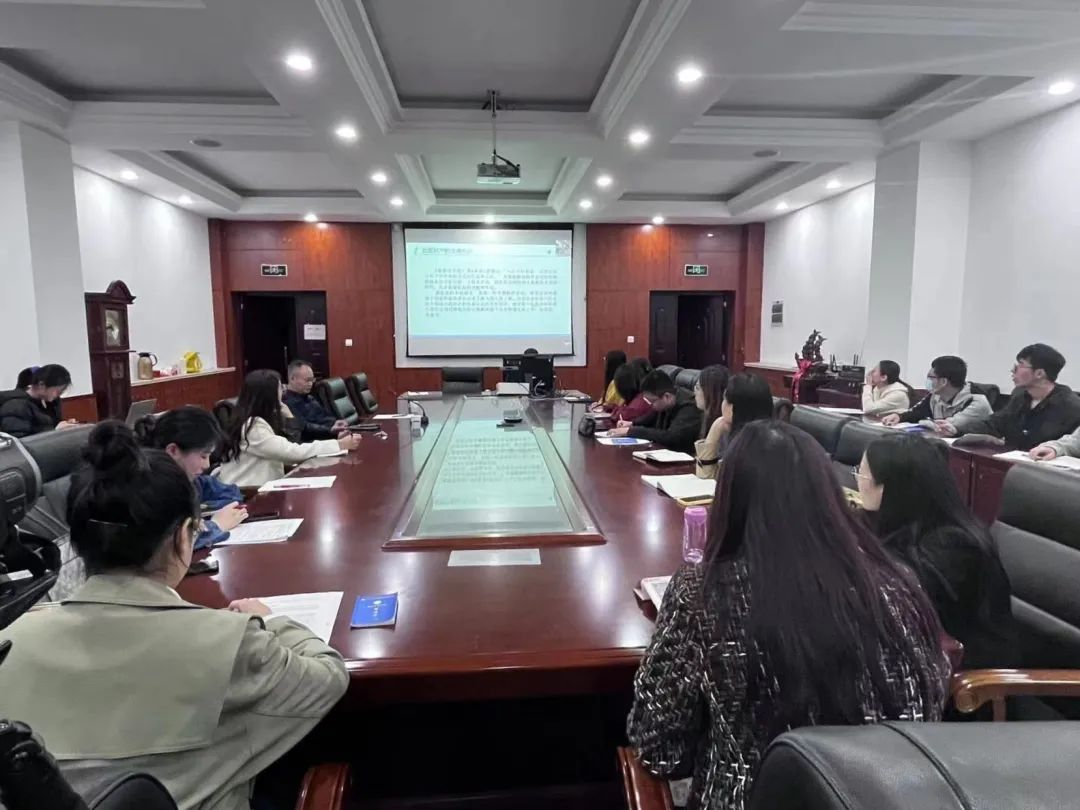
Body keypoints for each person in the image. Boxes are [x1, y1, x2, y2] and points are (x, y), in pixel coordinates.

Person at [0, 422, 348, 810]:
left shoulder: (10, 643)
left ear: (78, 543)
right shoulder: (230, 642)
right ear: (184, 535)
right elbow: (328, 679)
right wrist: (272, 621)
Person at [627, 422, 948, 809]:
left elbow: (658, 747)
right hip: (884, 798)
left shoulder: (704, 592)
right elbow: (924, 713)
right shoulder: (898, 583)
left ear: (730, 498)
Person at [858, 434, 1018, 670]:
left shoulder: (956, 546)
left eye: (862, 474)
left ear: (892, 487)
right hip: (916, 655)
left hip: (963, 674)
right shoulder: (903, 525)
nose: (858, 482)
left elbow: (896, 599)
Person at [217, 369, 359, 487]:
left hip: (265, 487)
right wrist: (338, 445)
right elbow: (291, 451)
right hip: (248, 494)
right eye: (280, 388)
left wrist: (289, 417)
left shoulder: (260, 419)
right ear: (269, 394)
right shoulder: (253, 427)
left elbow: (291, 445)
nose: (283, 392)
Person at [135, 406, 249, 549]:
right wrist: (215, 525)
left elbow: (232, 494)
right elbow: (169, 545)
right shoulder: (148, 489)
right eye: (203, 456)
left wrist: (203, 513)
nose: (207, 465)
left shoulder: (191, 480)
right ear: (173, 450)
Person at [942, 343, 1080, 450]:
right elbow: (995, 423)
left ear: (1039, 373)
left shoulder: (1070, 406)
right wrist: (956, 429)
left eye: (1021, 365)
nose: (1013, 370)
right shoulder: (1019, 396)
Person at [881, 355, 992, 434]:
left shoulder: (976, 402)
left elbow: (945, 427)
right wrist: (899, 417)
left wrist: (925, 422)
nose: (928, 381)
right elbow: (915, 413)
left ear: (943, 382)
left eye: (931, 377)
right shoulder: (935, 396)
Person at [694, 371, 772, 479]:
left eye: (724, 399)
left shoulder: (753, 446)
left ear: (733, 407)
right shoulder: (732, 431)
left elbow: (706, 478)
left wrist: (714, 431)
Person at [607, 370, 702, 453]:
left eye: (652, 401)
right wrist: (632, 424)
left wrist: (631, 431)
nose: (650, 405)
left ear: (666, 397)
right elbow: (651, 418)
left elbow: (672, 437)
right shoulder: (666, 402)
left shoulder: (689, 406)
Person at [0, 364, 78, 438]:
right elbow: (18, 441)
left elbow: (46, 425)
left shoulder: (48, 403)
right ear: (41, 385)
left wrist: (64, 424)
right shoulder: (16, 406)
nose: (60, 394)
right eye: (58, 391)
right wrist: (55, 431)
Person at [281, 359, 349, 441]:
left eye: (312, 380)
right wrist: (330, 430)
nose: (310, 384)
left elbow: (324, 416)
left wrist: (335, 423)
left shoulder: (310, 398)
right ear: (292, 379)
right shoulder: (286, 403)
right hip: (312, 443)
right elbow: (304, 427)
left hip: (328, 437)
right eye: (307, 380)